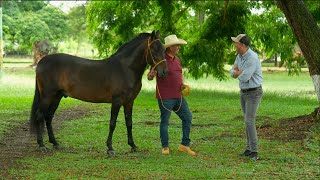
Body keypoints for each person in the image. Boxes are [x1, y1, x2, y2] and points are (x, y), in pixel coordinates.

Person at [147, 34, 196, 156]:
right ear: (170, 47)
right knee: (165, 122)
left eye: (179, 45)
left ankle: (184, 145)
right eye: (176, 45)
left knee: (188, 117)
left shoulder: (177, 60)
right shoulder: (160, 59)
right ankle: (165, 147)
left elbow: (179, 74)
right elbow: (149, 77)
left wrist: (183, 84)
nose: (179, 47)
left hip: (179, 96)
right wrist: (151, 75)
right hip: (165, 97)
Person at [230, 34, 263, 161]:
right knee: (246, 120)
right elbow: (231, 71)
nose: (234, 45)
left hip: (254, 93)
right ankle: (249, 149)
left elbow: (244, 77)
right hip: (243, 92)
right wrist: (237, 72)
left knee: (249, 121)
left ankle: (254, 152)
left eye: (236, 43)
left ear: (242, 45)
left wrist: (238, 73)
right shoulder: (239, 56)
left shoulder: (252, 58)